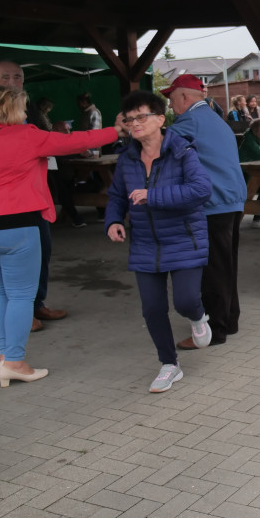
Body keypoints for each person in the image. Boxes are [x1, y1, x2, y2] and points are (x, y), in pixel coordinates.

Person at [0, 87, 121, 387]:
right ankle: (14, 361)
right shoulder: (28, 135)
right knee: (22, 295)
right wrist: (115, 131)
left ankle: (5, 357)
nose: (27, 114)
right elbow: (77, 141)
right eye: (23, 108)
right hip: (15, 224)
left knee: (0, 292)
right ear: (12, 110)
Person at [105, 91, 213, 393]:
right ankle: (169, 364)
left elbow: (201, 190)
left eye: (142, 117)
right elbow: (116, 195)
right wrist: (113, 220)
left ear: (160, 120)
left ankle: (198, 316)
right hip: (144, 244)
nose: (135, 124)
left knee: (185, 300)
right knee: (152, 309)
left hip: (183, 239)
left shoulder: (182, 152)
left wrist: (153, 196)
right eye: (130, 119)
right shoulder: (127, 158)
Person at [0, 61, 69, 332]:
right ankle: (21, 311)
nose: (12, 81)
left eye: (17, 76)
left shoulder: (29, 107)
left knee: (43, 248)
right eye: (5, 77)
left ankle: (36, 303)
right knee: (9, 265)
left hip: (33, 195)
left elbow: (43, 138)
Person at [162, 74, 247, 348]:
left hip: (212, 203)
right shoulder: (216, 120)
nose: (170, 107)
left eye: (172, 100)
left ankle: (215, 330)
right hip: (232, 200)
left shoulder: (189, 121)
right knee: (226, 265)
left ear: (185, 97)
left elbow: (161, 152)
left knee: (212, 270)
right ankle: (229, 320)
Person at [238, 118, 260, 229]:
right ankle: (258, 219)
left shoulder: (258, 140)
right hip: (245, 177)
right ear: (255, 132)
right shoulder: (249, 141)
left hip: (251, 175)